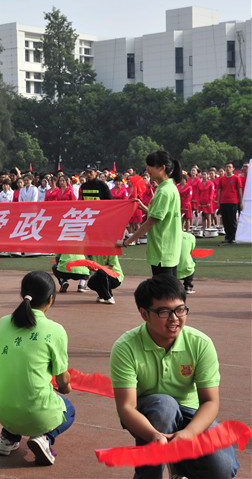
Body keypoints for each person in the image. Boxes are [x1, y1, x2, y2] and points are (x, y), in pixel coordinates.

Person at [109, 275, 239, 479]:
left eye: (180, 310)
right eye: (164, 312)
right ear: (144, 314)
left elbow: (210, 402)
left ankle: (179, 466)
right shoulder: (126, 347)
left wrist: (188, 434)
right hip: (150, 417)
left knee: (223, 469)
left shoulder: (200, 343)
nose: (174, 319)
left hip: (191, 414)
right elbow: (126, 407)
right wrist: (153, 435)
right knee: (164, 405)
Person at [0, 270, 74, 466]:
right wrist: (65, 388)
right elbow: (62, 380)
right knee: (69, 410)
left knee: (16, 390)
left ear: (22, 294)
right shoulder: (55, 330)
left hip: (2, 409)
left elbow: (0, 361)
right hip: (37, 414)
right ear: (51, 299)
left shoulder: (3, 323)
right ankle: (44, 438)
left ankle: (8, 437)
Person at [117, 150, 183, 276]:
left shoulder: (164, 191)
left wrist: (126, 242)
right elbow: (161, 215)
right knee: (169, 286)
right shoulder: (168, 187)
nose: (147, 170)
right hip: (168, 249)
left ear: (162, 168)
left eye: (150, 166)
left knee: (163, 287)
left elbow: (150, 222)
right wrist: (143, 207)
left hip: (162, 249)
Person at [216, 162, 243, 243]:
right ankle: (228, 237)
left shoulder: (236, 178)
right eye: (226, 167)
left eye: (230, 167)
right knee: (225, 220)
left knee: (232, 220)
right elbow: (220, 191)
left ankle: (234, 237)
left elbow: (239, 190)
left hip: (233, 202)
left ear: (233, 169)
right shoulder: (222, 179)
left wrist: (241, 202)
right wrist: (218, 202)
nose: (228, 168)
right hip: (223, 202)